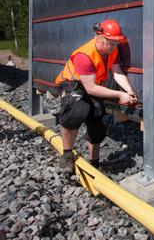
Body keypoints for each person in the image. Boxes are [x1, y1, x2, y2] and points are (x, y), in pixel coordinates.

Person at [55, 19, 137, 173]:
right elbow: (91, 88)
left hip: (91, 85)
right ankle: (66, 156)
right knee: (76, 112)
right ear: (98, 37)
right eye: (110, 43)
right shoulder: (84, 55)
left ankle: (95, 163)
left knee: (97, 120)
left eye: (115, 44)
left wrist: (128, 90)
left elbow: (117, 71)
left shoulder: (111, 50)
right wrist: (119, 94)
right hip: (72, 84)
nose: (113, 47)